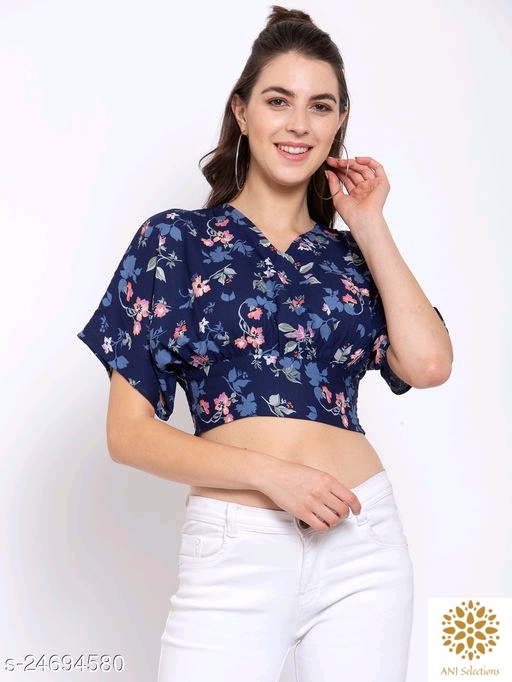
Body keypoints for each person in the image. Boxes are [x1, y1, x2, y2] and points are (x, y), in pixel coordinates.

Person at [78, 6, 453, 681]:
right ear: (242, 112)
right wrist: (271, 476)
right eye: (278, 100)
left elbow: (428, 364)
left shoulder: (352, 256)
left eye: (320, 106)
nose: (299, 123)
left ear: (339, 123)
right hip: (236, 544)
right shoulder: (175, 242)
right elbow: (127, 436)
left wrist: (369, 223)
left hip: (362, 543)